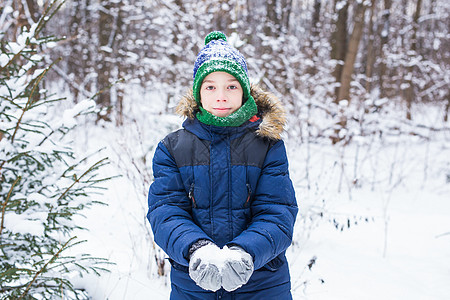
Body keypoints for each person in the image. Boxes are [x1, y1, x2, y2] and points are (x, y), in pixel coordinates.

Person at [147, 31, 298, 299]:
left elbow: (277, 212)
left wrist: (245, 252)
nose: (221, 96)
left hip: (262, 284)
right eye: (210, 86)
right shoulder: (172, 148)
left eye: (231, 86)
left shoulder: (268, 145)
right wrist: (196, 248)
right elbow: (166, 211)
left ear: (243, 91)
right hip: (194, 285)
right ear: (198, 93)